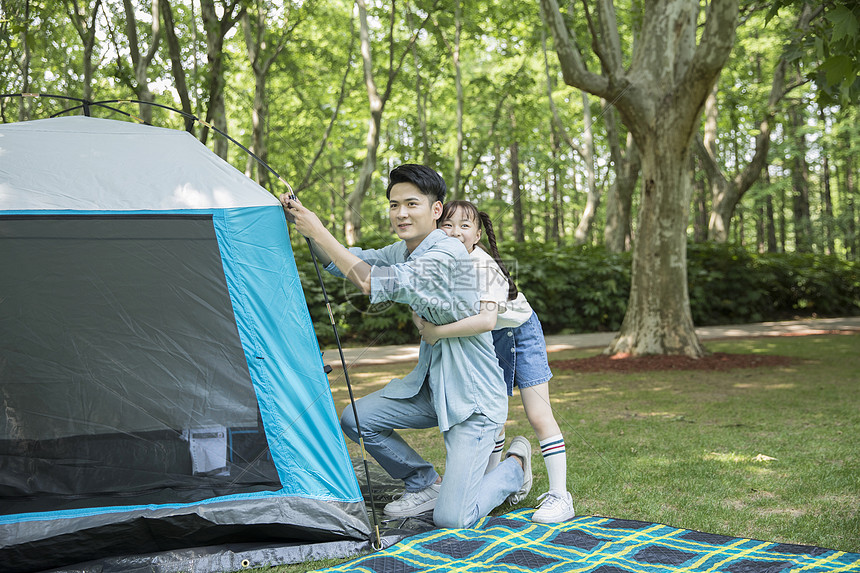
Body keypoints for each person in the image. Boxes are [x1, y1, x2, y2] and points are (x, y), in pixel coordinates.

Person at [281, 165, 532, 528]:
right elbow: (348, 262)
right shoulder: (405, 249)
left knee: (453, 518)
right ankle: (424, 481)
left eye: (411, 203)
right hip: (431, 389)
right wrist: (304, 222)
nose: (400, 213)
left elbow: (372, 282)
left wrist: (319, 230)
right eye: (394, 205)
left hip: (471, 401)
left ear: (435, 210)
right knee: (357, 419)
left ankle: (513, 468)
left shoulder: (446, 255)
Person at [413, 200, 575, 523]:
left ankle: (561, 496)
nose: (455, 232)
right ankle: (487, 482)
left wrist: (436, 332)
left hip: (519, 331)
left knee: (539, 414)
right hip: (489, 338)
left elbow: (485, 320)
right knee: (492, 413)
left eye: (464, 226)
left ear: (477, 234)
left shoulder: (481, 265)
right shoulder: (443, 263)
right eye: (448, 225)